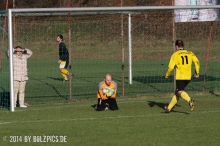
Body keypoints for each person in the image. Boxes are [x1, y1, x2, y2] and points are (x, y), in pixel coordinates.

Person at [164, 40, 200, 113]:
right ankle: (168, 108)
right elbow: (197, 62)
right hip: (188, 77)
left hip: (180, 76)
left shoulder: (175, 54)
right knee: (177, 92)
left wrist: (167, 74)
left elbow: (170, 67)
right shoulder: (190, 53)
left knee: (180, 91)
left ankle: (189, 100)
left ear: (177, 47)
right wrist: (197, 72)